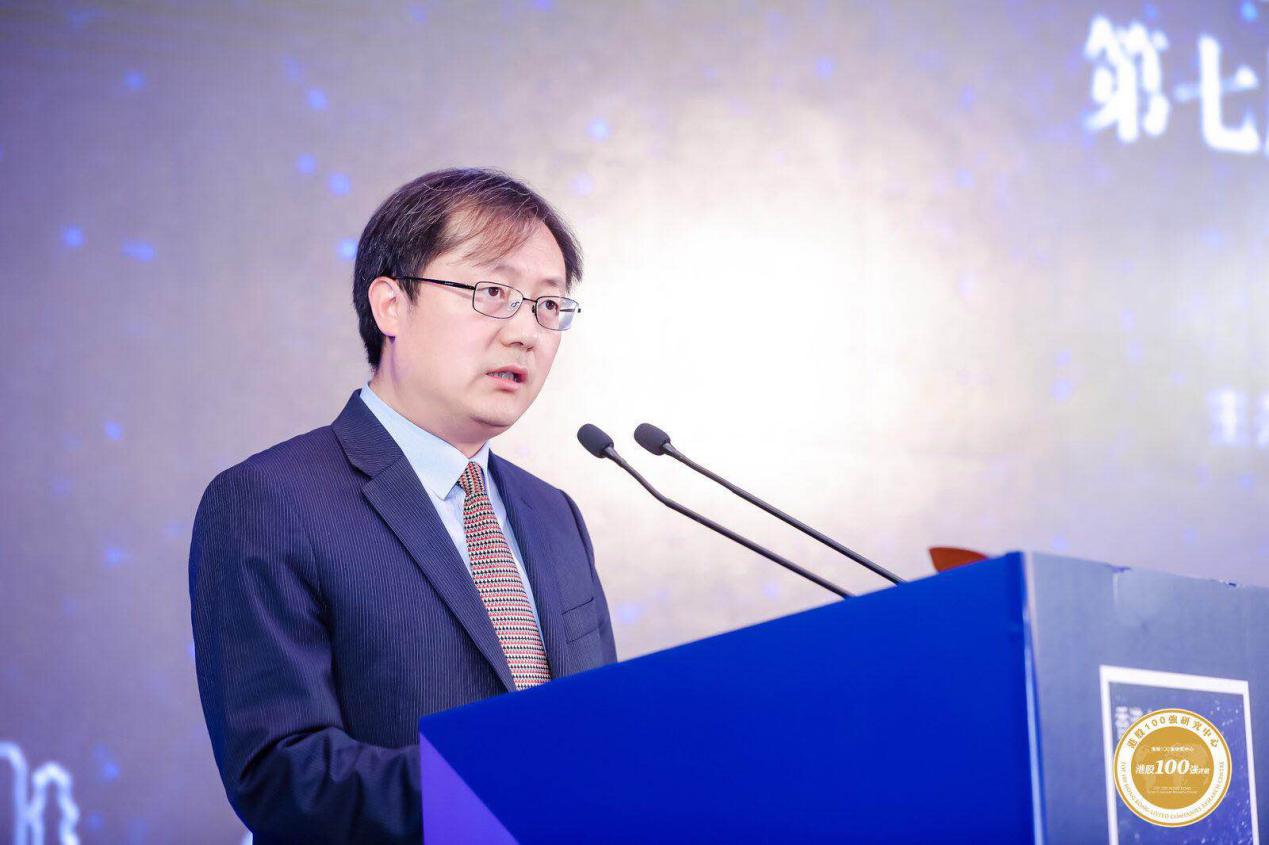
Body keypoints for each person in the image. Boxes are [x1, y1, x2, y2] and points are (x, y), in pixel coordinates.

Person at [189, 168, 618, 843]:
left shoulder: (553, 514)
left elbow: (598, 732)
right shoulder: (271, 500)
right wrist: (509, 780)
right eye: (493, 293)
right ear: (390, 305)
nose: (526, 332)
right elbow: (281, 776)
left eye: (547, 305)